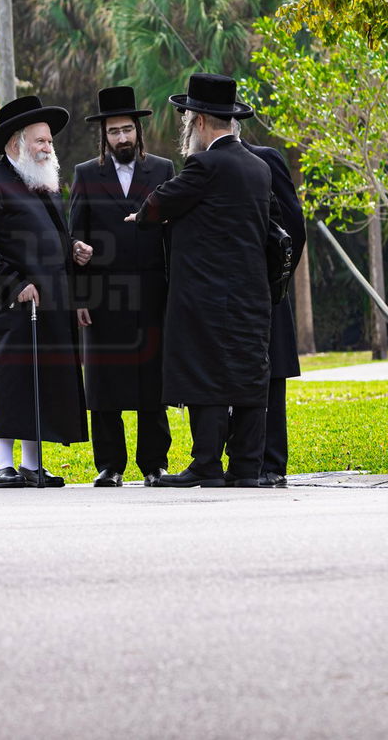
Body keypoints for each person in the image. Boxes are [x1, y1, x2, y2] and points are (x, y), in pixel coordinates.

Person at [126, 73, 275, 488]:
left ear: (201, 122)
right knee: (248, 373)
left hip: (206, 295)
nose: (188, 128)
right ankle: (246, 465)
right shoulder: (259, 167)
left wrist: (143, 217)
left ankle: (207, 463)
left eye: (189, 119)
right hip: (251, 292)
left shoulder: (205, 164)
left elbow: (156, 205)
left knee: (203, 373)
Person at [0, 95, 90, 488]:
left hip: (53, 299)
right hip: (13, 302)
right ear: (15, 143)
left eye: (49, 142)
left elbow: (52, 234)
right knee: (13, 380)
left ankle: (32, 463)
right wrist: (14, 283)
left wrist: (72, 247)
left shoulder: (43, 181)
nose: (47, 148)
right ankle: (2, 464)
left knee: (45, 380)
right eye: (40, 141)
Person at [68, 86, 174, 487]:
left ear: (138, 131)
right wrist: (79, 294)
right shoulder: (85, 173)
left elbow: (172, 235)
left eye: (127, 130)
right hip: (102, 294)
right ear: (104, 135)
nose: (122, 138)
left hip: (152, 291)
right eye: (114, 132)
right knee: (104, 382)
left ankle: (154, 464)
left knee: (152, 381)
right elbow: (75, 235)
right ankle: (109, 465)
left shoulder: (163, 170)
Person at [236, 130, 307, 488]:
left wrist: (273, 279)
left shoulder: (266, 158)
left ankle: (272, 462)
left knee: (272, 374)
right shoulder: (198, 166)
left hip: (266, 289)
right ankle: (239, 461)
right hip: (225, 297)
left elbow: (293, 226)